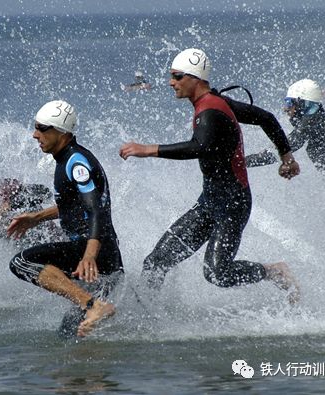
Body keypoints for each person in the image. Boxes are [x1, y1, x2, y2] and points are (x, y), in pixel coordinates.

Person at [119, 48, 300, 304]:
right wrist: (286, 157)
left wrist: (149, 149)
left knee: (217, 273)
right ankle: (145, 317)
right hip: (210, 202)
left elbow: (199, 146)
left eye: (178, 76)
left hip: (232, 205)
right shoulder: (216, 103)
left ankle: (274, 271)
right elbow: (266, 118)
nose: (172, 82)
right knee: (156, 261)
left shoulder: (211, 110)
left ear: (196, 78)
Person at [6, 100, 124, 338]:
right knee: (70, 336)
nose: (34, 134)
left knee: (21, 263)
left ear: (61, 132)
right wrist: (37, 217)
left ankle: (93, 306)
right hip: (104, 259)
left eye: (41, 128)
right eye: (35, 127)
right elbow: (74, 204)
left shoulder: (76, 162)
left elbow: (96, 210)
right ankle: (91, 372)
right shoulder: (67, 159)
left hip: (95, 255)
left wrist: (89, 256)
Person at [247, 79, 325, 185]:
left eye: (289, 103)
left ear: (302, 103)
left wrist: (241, 162)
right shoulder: (321, 120)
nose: (285, 108)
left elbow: (283, 148)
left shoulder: (313, 121)